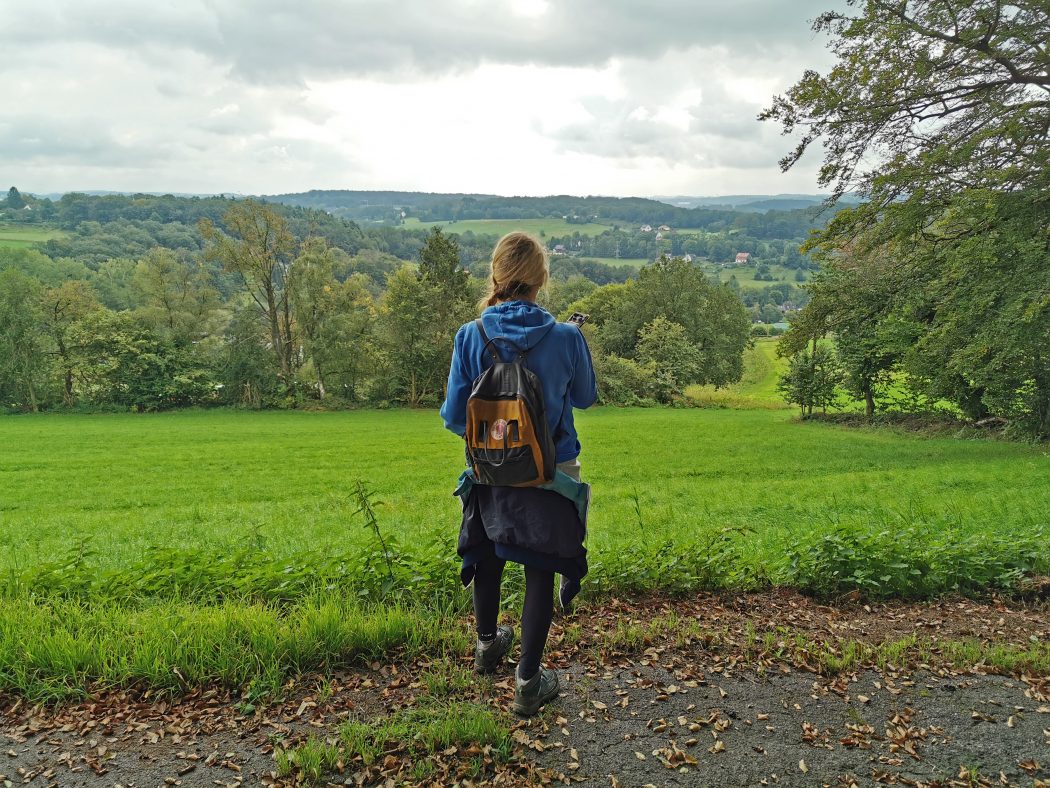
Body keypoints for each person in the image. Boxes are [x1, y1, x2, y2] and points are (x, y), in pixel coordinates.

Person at [440, 231, 597, 716]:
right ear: (540, 279)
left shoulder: (471, 335)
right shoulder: (567, 337)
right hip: (551, 473)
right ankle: (528, 682)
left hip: (488, 471)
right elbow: (586, 398)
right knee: (540, 569)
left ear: (497, 275)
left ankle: (487, 646)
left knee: (488, 555)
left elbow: (452, 417)